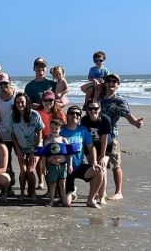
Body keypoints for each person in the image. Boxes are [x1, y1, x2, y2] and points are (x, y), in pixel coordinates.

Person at [100, 73, 144, 201]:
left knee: (115, 165)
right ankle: (101, 191)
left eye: (114, 81)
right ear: (105, 83)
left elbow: (128, 115)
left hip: (112, 136)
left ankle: (118, 192)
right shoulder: (100, 97)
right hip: (98, 136)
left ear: (118, 85)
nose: (111, 83)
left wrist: (136, 123)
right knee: (101, 164)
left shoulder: (119, 100)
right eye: (109, 80)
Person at [61, 105, 104, 208]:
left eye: (77, 114)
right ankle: (73, 191)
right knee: (66, 204)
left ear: (80, 117)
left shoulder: (83, 130)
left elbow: (91, 147)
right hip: (65, 170)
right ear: (67, 115)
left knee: (99, 171)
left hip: (79, 166)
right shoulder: (61, 130)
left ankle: (90, 200)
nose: (75, 115)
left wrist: (94, 162)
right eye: (72, 113)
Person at [10, 92, 44, 200]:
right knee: (23, 170)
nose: (20, 104)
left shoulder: (35, 115)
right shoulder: (13, 116)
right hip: (21, 147)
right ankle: (22, 193)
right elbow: (13, 135)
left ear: (27, 103)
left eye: (22, 102)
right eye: (18, 102)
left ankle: (32, 192)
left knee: (30, 170)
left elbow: (39, 132)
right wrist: (18, 151)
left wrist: (35, 150)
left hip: (36, 147)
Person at [81, 101, 111, 205]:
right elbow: (85, 138)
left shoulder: (105, 119)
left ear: (100, 109)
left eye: (96, 108)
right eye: (90, 109)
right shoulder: (84, 120)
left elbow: (104, 138)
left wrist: (102, 156)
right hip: (90, 147)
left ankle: (102, 196)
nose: (93, 111)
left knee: (102, 168)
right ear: (87, 110)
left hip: (105, 147)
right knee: (94, 169)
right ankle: (95, 193)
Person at [37, 119, 72, 207]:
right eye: (52, 128)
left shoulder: (64, 140)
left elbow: (69, 154)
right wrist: (43, 166)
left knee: (62, 184)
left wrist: (70, 165)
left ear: (60, 129)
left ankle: (64, 201)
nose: (54, 130)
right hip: (51, 166)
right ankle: (51, 201)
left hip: (63, 166)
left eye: (56, 128)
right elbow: (44, 155)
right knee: (52, 185)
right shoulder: (48, 141)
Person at [37, 90, 66, 190]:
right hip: (43, 138)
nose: (48, 102)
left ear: (54, 101)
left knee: (56, 161)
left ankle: (57, 188)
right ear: (42, 101)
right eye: (46, 100)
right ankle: (42, 182)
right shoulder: (39, 113)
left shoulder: (59, 112)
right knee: (40, 158)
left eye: (51, 100)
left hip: (57, 139)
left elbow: (63, 129)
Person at [0, 72, 16, 193]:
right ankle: (8, 187)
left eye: (5, 83)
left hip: (18, 135)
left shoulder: (17, 95)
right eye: (1, 83)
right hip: (3, 134)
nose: (3, 86)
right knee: (7, 162)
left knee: (23, 161)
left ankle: (26, 188)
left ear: (9, 82)